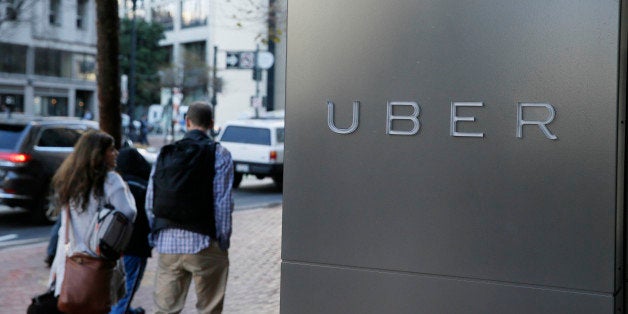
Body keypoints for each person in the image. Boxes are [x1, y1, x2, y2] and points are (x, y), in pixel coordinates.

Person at [146, 101, 234, 313]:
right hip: (203, 241)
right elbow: (222, 202)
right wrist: (222, 241)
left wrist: (156, 233)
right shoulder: (220, 154)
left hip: (168, 242)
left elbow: (151, 199)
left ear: (187, 122)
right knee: (209, 308)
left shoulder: (165, 153)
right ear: (212, 123)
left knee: (165, 310)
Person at [48, 130, 137, 313]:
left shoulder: (70, 181)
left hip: (70, 261)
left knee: (71, 306)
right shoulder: (111, 180)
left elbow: (63, 227)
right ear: (99, 154)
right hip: (99, 262)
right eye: (111, 150)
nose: (116, 153)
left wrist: (56, 271)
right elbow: (128, 212)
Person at [110, 147, 152, 314]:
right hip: (136, 246)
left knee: (114, 289)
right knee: (127, 290)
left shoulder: (114, 185)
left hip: (112, 246)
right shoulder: (145, 187)